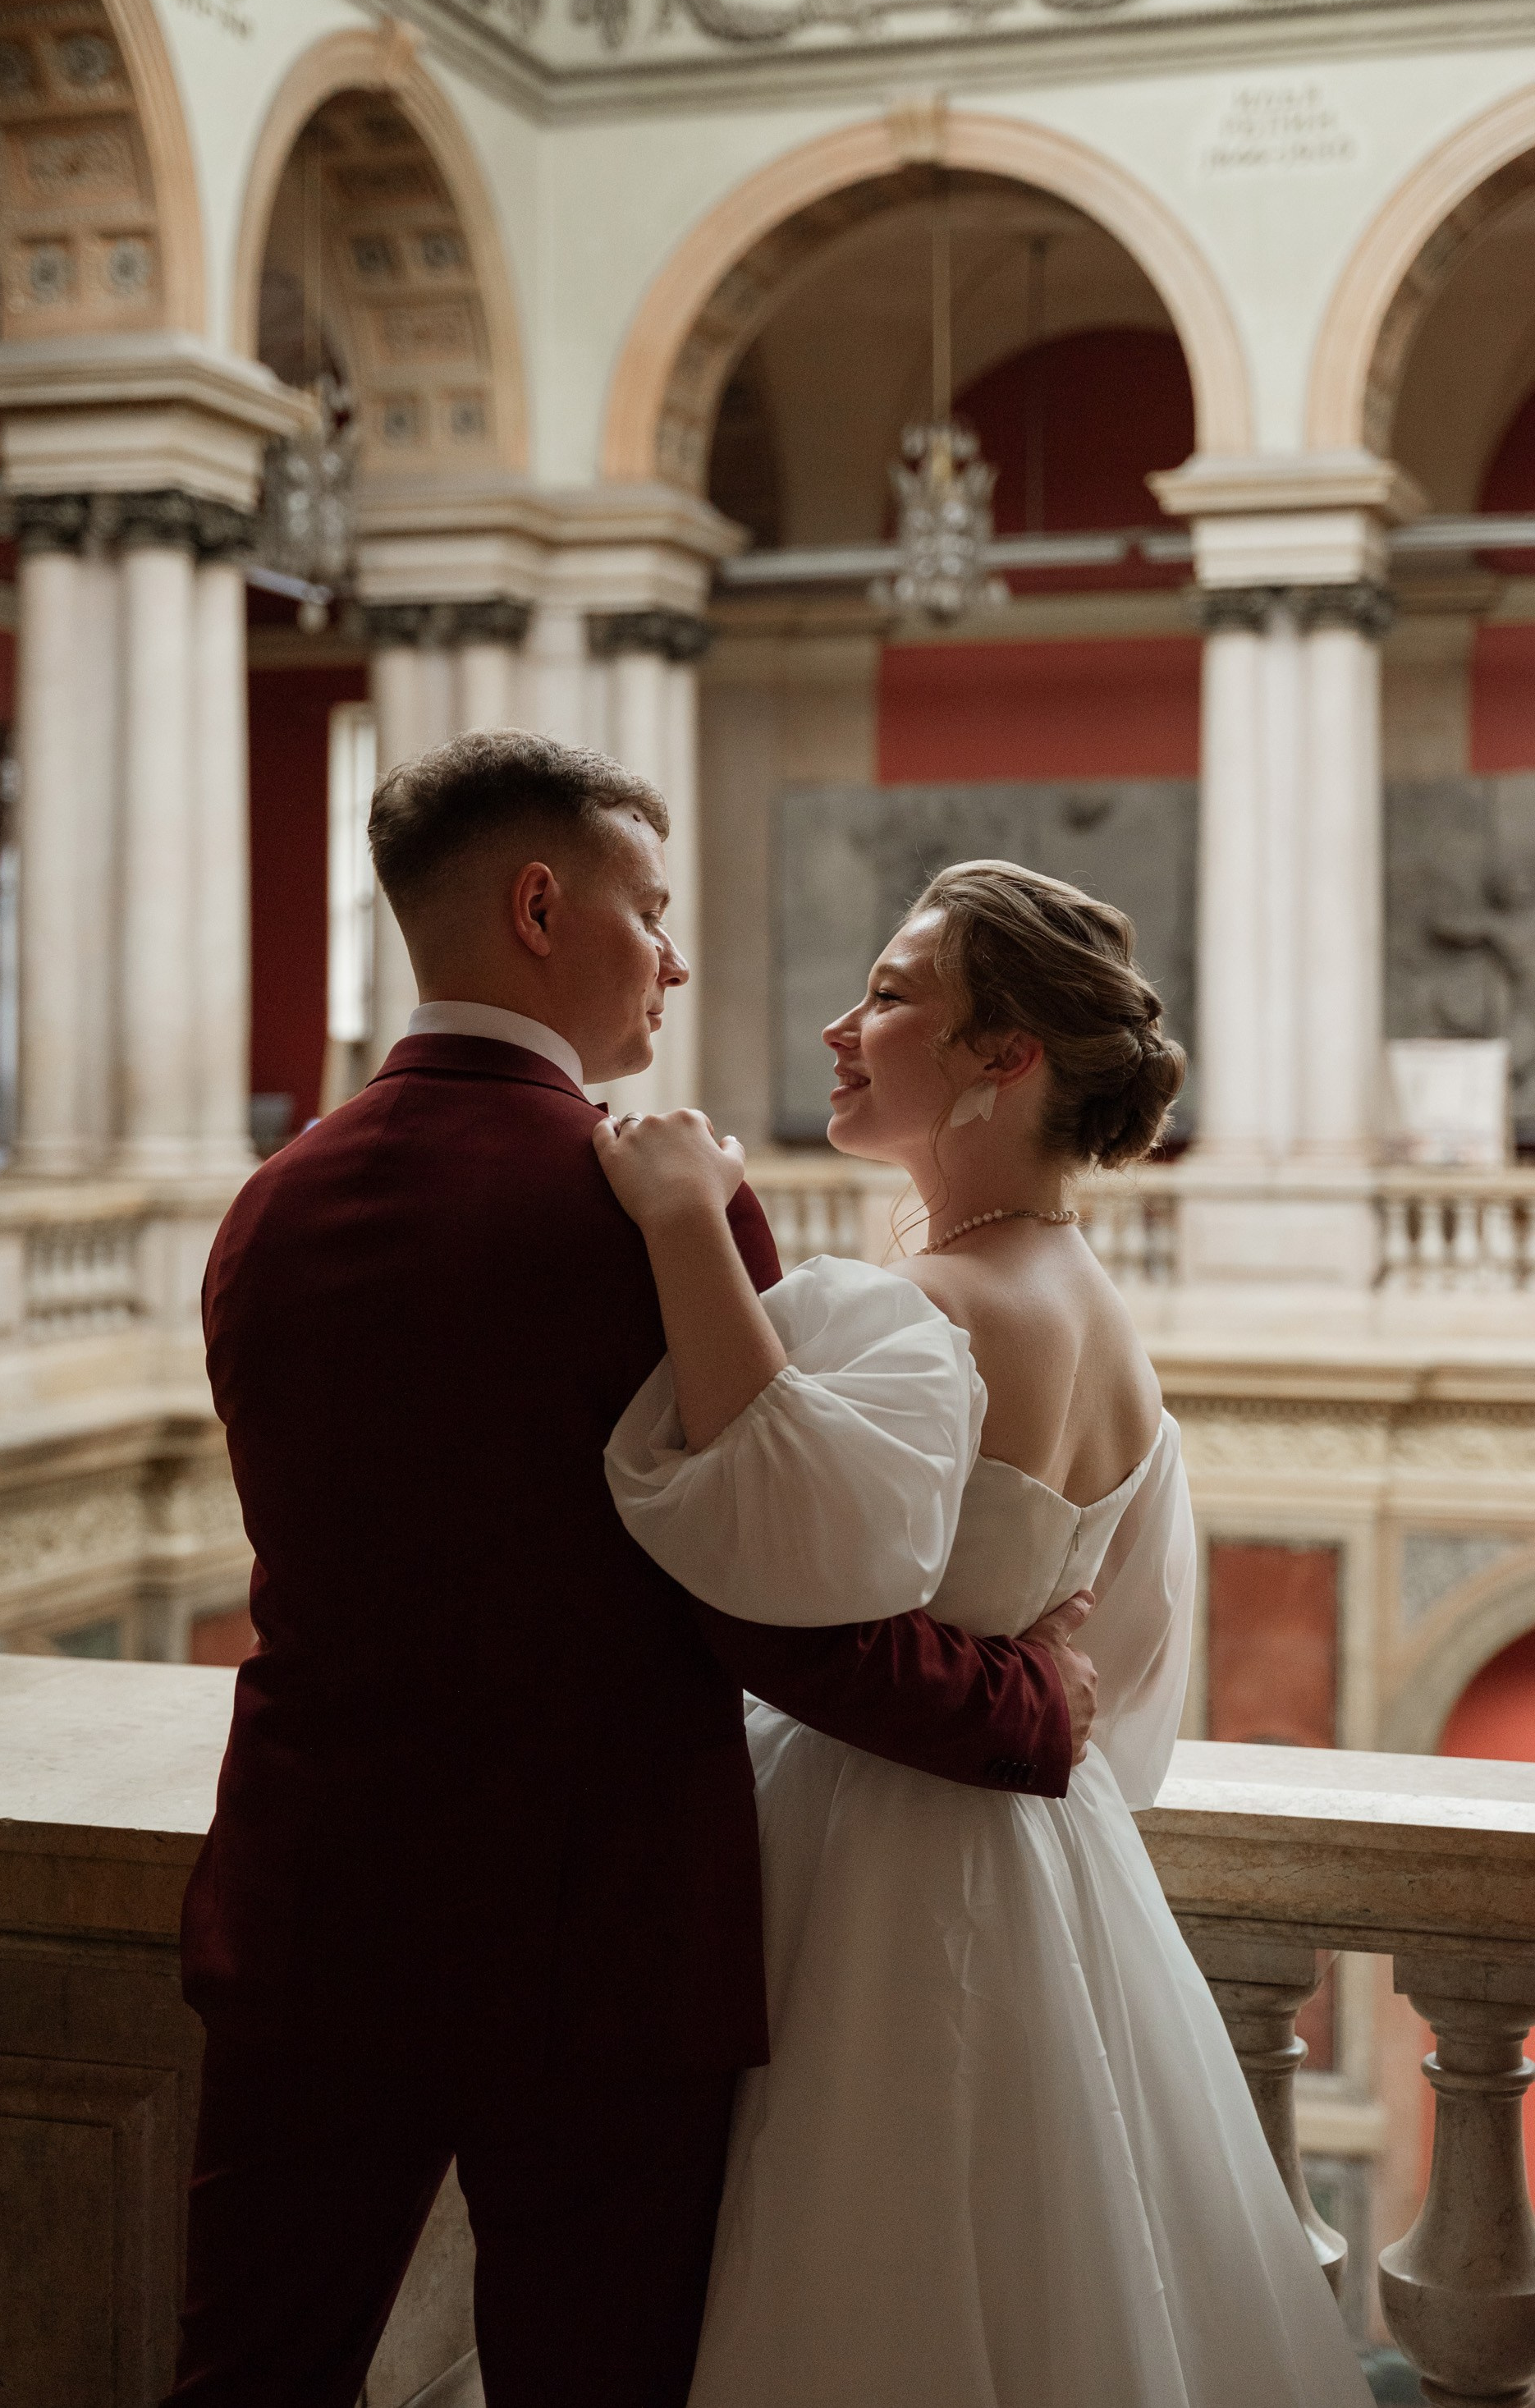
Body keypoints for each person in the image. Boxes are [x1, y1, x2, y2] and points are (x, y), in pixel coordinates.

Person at [166, 738, 1097, 2408]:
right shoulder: (651, 1212)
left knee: (249, 2376)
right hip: (589, 1949)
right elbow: (770, 1605)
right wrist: (1022, 1710)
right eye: (649, 910)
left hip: (315, 1912)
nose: (674, 957)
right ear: (541, 907)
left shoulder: (268, 1209)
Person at [596, 860, 1375, 2408]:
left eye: (892, 997)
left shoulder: (922, 1309)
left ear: (1004, 1057)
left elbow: (736, 1536)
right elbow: (1131, 1663)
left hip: (867, 1851)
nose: (842, 1024)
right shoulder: (1094, 1305)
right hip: (1049, 1858)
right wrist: (1042, 1675)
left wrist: (686, 1218)